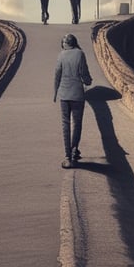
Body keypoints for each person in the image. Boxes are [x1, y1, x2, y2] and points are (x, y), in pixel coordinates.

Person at [53, 33, 92, 168]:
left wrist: (55, 92)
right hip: (77, 94)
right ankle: (74, 150)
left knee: (65, 124)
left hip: (64, 95)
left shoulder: (61, 55)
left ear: (65, 44)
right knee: (77, 123)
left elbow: (57, 75)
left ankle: (67, 157)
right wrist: (88, 81)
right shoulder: (80, 54)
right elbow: (84, 73)